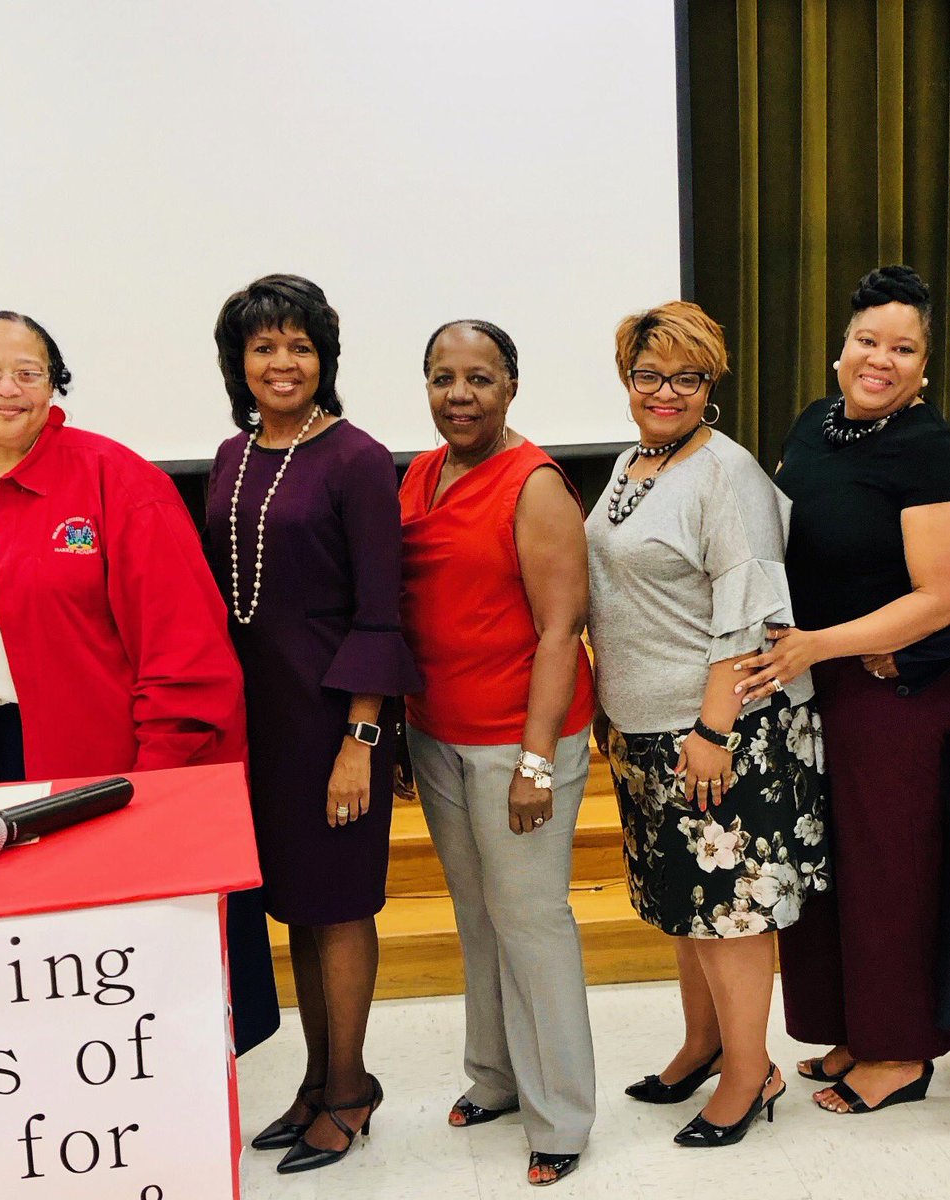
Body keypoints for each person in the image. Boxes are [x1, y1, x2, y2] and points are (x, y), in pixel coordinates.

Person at [585, 300, 829, 1147]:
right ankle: (700, 1044)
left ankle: (746, 1074)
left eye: (685, 378)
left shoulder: (725, 473)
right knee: (682, 906)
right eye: (648, 375)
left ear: (708, 386)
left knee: (729, 916)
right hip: (644, 725)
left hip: (720, 731)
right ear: (626, 379)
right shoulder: (633, 463)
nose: (665, 392)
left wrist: (713, 730)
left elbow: (746, 611)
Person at [206, 274, 420, 1175]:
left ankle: (350, 1087)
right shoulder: (231, 452)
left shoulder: (358, 458)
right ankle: (314, 1079)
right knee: (294, 905)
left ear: (324, 357)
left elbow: (382, 610)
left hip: (335, 725)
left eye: (299, 346)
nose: (282, 362)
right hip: (260, 730)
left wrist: (360, 742)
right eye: (263, 348)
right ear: (239, 364)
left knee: (338, 907)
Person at [735, 265, 950, 1114]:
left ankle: (899, 1055)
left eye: (902, 349)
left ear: (922, 368)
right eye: (868, 341)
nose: (880, 359)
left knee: (889, 868)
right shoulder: (813, 425)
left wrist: (822, 644)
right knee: (828, 869)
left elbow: (937, 596)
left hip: (890, 689)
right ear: (840, 350)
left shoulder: (925, 445)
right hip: (813, 683)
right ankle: (854, 1028)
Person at [399, 319, 596, 1187]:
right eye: (443, 378)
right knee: (478, 918)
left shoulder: (536, 483)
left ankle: (562, 1116)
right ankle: (497, 1078)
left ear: (511, 385)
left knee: (531, 922)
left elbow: (562, 630)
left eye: (478, 378)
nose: (459, 395)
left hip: (518, 738)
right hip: (435, 730)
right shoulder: (420, 471)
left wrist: (535, 761)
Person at [0, 310, 246, 786]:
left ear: (53, 387)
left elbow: (186, 661)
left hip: (96, 770)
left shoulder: (121, 484)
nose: (7, 389)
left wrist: (150, 785)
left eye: (28, 374)